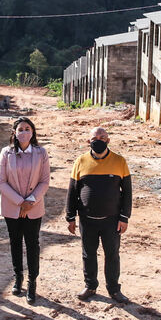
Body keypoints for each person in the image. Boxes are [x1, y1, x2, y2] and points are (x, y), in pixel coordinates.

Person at [65, 126, 131, 303]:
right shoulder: (80, 161)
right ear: (89, 141)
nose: (99, 140)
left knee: (112, 254)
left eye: (103, 137)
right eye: (95, 137)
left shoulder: (119, 161)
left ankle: (114, 290)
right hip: (87, 220)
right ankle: (90, 286)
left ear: (108, 140)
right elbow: (72, 191)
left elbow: (127, 193)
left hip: (112, 220)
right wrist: (70, 217)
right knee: (88, 254)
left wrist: (124, 217)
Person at [0, 117, 51, 304]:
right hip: (12, 207)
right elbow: (1, 181)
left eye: (28, 128)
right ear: (14, 132)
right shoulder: (6, 153)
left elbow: (44, 181)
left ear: (33, 132)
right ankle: (18, 278)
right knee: (15, 242)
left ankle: (32, 281)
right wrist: (20, 202)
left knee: (33, 243)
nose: (24, 132)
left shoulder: (41, 153)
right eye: (20, 129)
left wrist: (30, 202)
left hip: (33, 208)